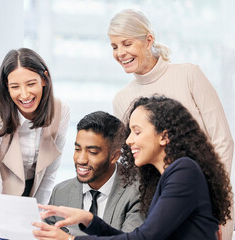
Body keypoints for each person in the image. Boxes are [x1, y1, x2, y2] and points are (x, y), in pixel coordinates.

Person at [32, 95, 232, 240]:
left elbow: (143, 239)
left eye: (137, 132)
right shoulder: (169, 176)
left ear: (164, 136)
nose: (128, 141)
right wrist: (91, 220)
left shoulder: (183, 172)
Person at [108, 9, 234, 239]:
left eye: (127, 43)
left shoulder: (189, 75)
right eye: (114, 46)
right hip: (161, 208)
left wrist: (211, 204)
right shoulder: (122, 99)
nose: (120, 53)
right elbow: (137, 163)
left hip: (208, 201)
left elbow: (222, 141)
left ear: (148, 40)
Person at [0, 48, 70, 205]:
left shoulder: (60, 110)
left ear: (44, 79)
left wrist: (36, 216)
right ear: (7, 86)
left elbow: (49, 174)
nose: (24, 95)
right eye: (15, 87)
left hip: (34, 194)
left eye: (31, 84)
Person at [45, 111, 144, 236]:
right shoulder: (60, 192)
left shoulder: (139, 191)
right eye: (77, 149)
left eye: (92, 152)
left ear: (114, 156)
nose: (81, 159)